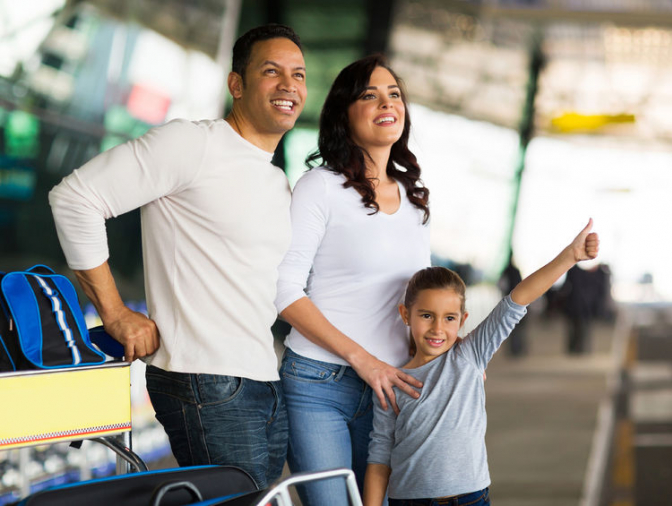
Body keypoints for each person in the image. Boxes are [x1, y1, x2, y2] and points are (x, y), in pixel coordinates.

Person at [48, 24, 307, 489]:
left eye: (299, 74)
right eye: (272, 71)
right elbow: (75, 199)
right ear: (237, 84)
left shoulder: (274, 182)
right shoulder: (193, 144)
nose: (289, 85)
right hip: (204, 379)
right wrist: (114, 313)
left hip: (261, 377)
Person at [274, 54, 430, 505]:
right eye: (370, 95)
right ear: (345, 112)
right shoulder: (319, 187)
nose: (388, 103)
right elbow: (284, 290)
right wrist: (361, 359)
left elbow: (421, 297)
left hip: (393, 386)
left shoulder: (415, 199)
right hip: (319, 385)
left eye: (394, 94)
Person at [364, 219, 600, 506]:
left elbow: (517, 300)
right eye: (426, 315)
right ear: (405, 314)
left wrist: (571, 256)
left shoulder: (470, 355)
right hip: (407, 501)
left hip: (470, 499)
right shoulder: (392, 380)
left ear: (462, 320)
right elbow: (379, 456)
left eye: (449, 318)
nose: (438, 328)